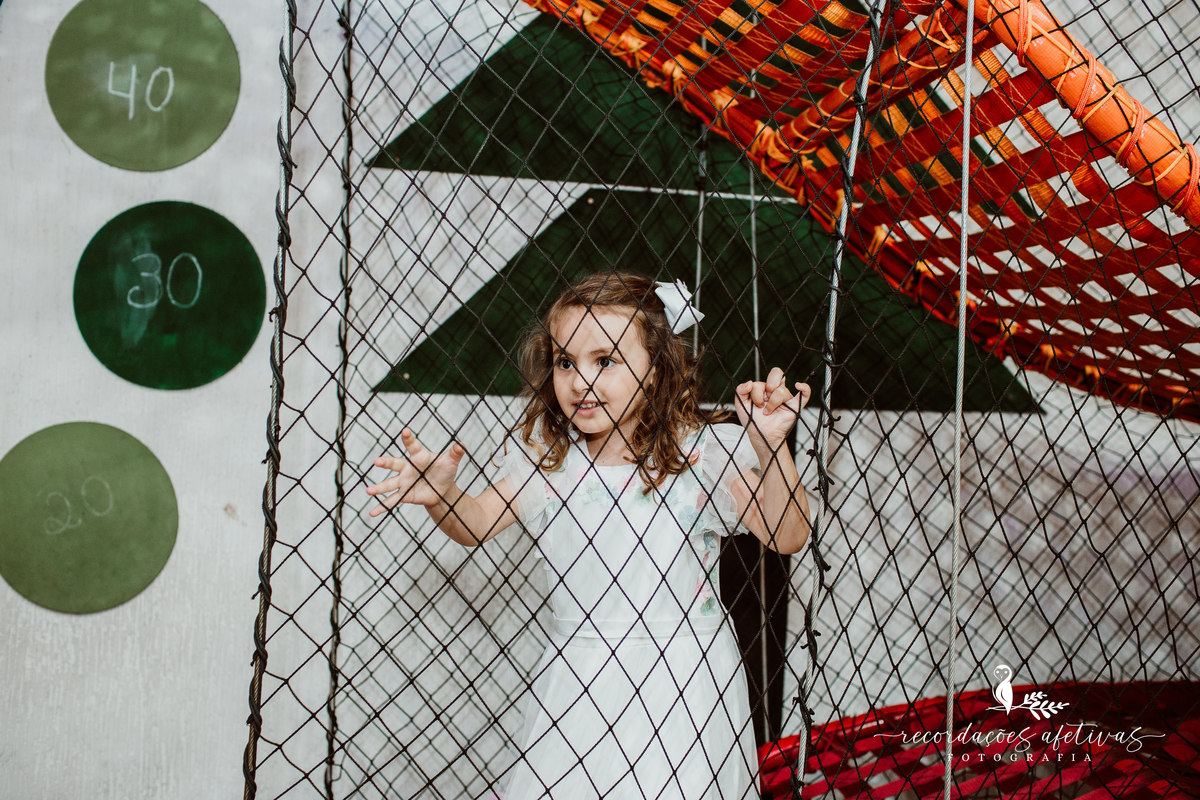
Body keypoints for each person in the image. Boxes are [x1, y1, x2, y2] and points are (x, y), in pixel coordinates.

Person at [367, 272, 812, 799]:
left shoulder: (699, 457)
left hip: (687, 686)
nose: (581, 380)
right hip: (580, 681)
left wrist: (770, 448)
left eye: (605, 360)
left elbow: (787, 535)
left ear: (656, 368)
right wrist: (442, 496)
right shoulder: (550, 464)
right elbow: (475, 522)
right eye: (564, 361)